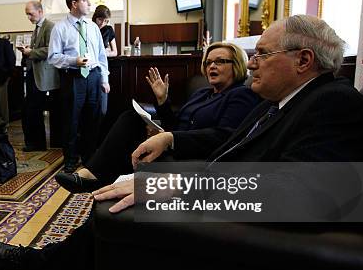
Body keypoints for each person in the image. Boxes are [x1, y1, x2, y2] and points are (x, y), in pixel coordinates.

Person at [0, 15, 363, 270]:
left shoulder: (334, 103)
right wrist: (173, 143)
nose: (252, 63)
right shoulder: (283, 102)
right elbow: (226, 145)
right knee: (125, 189)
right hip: (224, 198)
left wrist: (179, 187)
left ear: (303, 60)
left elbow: (304, 194)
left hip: (248, 228)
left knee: (132, 199)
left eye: (261, 54)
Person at [56, 41, 261, 192]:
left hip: (194, 155)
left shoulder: (240, 94)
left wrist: (170, 139)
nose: (211, 67)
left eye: (220, 61)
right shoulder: (202, 94)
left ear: (236, 65)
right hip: (174, 144)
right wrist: (163, 101)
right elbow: (175, 124)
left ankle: (94, 176)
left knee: (126, 137)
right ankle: (93, 175)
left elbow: (225, 135)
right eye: (208, 62)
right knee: (131, 118)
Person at [48, 0, 110, 173]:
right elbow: (53, 57)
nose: (89, 3)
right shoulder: (60, 28)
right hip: (73, 78)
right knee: (71, 122)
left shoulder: (92, 27)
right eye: (85, 0)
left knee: (93, 120)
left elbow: (101, 56)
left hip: (93, 77)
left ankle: (89, 157)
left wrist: (104, 79)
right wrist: (73, 61)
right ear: (74, 4)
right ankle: (71, 159)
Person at [19, 1, 61, 151]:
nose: (29, 17)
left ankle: (38, 144)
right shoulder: (37, 28)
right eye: (27, 14)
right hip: (34, 74)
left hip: (44, 77)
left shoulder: (50, 26)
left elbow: (52, 49)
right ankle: (36, 143)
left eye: (31, 13)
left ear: (40, 11)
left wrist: (31, 52)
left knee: (35, 110)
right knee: (31, 111)